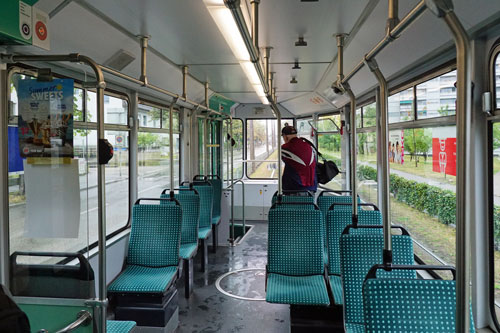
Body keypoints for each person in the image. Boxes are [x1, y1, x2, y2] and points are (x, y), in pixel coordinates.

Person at [280, 124, 317, 193]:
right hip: (312, 187)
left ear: (285, 137)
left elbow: (284, 159)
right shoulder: (308, 145)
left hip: (294, 188)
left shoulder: (285, 148)